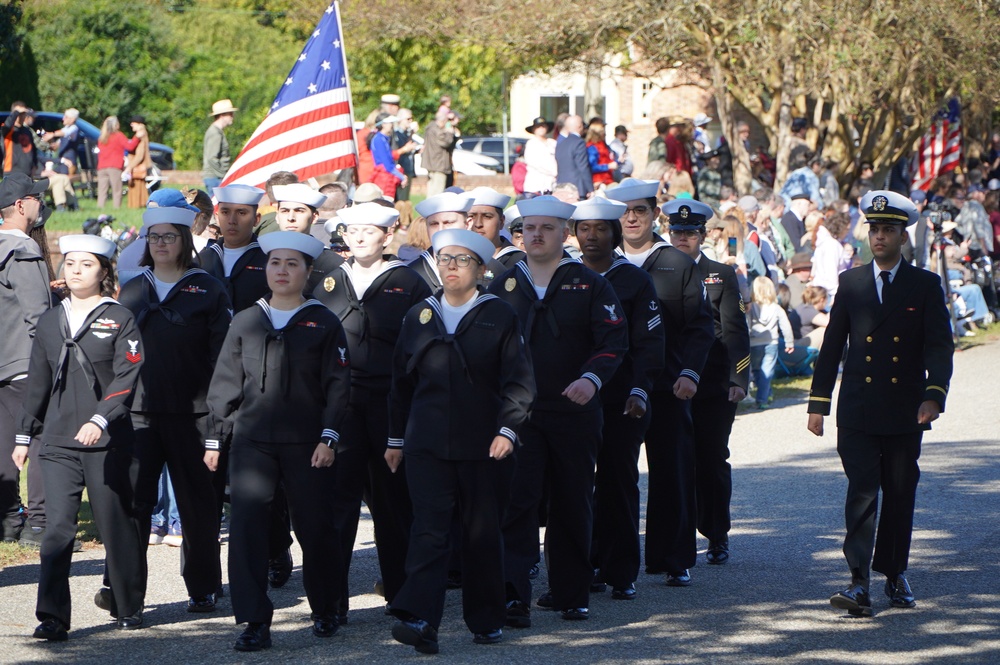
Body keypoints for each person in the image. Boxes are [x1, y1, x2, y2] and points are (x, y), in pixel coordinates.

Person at [386, 229, 534, 654]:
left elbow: (519, 381)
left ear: (482, 269)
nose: (450, 266)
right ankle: (420, 618)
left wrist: (508, 429)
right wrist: (395, 439)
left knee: (480, 532)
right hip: (426, 444)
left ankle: (487, 619)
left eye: (462, 260)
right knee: (429, 531)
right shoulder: (419, 315)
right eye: (444, 258)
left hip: (484, 445)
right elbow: (401, 384)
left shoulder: (499, 315)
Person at [808, 190, 954, 617]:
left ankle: (894, 574)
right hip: (858, 407)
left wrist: (934, 396)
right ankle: (858, 582)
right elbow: (832, 346)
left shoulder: (924, 285)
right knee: (862, 491)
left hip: (905, 408)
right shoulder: (851, 283)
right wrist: (818, 403)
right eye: (874, 229)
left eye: (888, 229)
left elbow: (938, 348)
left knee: (900, 491)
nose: (879, 237)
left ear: (903, 237)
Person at [204, 231, 351, 651]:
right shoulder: (247, 319)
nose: (281, 271)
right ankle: (253, 620)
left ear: (307, 271)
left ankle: (326, 608)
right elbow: (225, 384)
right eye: (274, 263)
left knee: (315, 528)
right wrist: (216, 440)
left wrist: (329, 437)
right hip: (254, 443)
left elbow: (338, 386)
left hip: (308, 443)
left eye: (291, 264)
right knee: (248, 531)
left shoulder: (323, 321)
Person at [488, 196, 628, 625]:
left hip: (574, 412)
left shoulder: (589, 283)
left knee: (572, 502)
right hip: (519, 418)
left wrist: (592, 379)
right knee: (517, 503)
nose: (535, 235)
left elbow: (614, 341)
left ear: (564, 234)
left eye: (546, 228)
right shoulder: (504, 285)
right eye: (528, 227)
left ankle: (571, 593)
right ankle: (513, 596)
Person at [14, 235, 147, 639]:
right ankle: (52, 617)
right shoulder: (52, 319)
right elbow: (37, 378)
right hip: (56, 441)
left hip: (107, 441)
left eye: (86, 264)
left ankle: (127, 604)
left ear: (104, 271)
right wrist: (24, 434)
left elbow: (128, 376)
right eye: (69, 262)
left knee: (114, 522)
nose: (75, 270)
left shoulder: (119, 317)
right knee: (57, 529)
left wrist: (101, 418)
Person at [311, 202, 431, 623]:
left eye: (369, 231)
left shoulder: (408, 281)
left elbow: (424, 344)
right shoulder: (327, 281)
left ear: (389, 233)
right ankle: (330, 605)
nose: (359, 237)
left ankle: (401, 595)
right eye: (353, 230)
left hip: (389, 402)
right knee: (337, 503)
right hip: (341, 404)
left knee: (394, 502)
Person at [117, 205, 232, 614]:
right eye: (154, 237)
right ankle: (124, 592)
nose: (161, 244)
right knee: (132, 506)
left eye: (169, 236)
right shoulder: (132, 289)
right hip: (140, 415)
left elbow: (223, 359)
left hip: (195, 416)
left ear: (185, 240)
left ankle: (203, 587)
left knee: (199, 507)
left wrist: (220, 417)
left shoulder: (209, 288)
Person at [605, 180, 715, 586]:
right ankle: (612, 559)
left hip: (668, 386)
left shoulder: (677, 263)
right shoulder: (601, 262)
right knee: (615, 474)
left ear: (655, 216)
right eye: (624, 211)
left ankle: (673, 556)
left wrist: (690, 373)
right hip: (616, 385)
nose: (631, 218)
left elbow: (700, 327)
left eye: (640, 211)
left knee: (672, 471)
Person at [572, 197, 665, 600]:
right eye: (584, 229)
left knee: (617, 481)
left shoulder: (633, 279)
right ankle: (582, 565)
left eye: (600, 229)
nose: (592, 237)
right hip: (574, 398)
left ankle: (622, 569)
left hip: (622, 398)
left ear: (614, 233)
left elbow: (650, 342)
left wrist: (641, 389)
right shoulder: (566, 276)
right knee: (573, 486)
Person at [667, 207, 751, 564]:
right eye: (677, 232)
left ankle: (717, 532)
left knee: (712, 456)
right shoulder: (660, 270)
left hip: (714, 382)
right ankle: (679, 534)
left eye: (690, 232)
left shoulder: (720, 274)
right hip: (671, 380)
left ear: (703, 235)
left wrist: (739, 377)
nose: (682, 238)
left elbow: (735, 328)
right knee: (676, 459)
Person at [0, 174, 52, 547]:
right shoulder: (23, 250)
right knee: (41, 440)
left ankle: (7, 520)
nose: (40, 204)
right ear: (21, 206)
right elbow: (38, 318)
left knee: (3, 441)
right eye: (36, 197)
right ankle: (39, 524)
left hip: (3, 362)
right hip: (25, 363)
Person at [197, 184, 269, 312]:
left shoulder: (269, 261)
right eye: (225, 212)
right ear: (217, 216)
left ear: (256, 219)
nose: (232, 220)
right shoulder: (201, 261)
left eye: (241, 213)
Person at [271, 183, 344, 293]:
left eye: (299, 211)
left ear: (314, 217)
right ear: (277, 216)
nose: (291, 218)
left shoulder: (331, 262)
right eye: (285, 211)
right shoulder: (262, 255)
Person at [748, 277, 794, 409]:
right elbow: (786, 326)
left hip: (754, 342)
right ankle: (763, 398)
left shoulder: (750, 308)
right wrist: (789, 342)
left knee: (757, 371)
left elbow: (747, 325)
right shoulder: (776, 308)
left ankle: (765, 394)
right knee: (767, 371)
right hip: (771, 342)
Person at [466, 186, 524, 268]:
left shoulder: (520, 262)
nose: (478, 224)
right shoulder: (459, 259)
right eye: (472, 216)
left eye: (487, 216)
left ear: (501, 221)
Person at [95, 116, 138, 209]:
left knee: (102, 190)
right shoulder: (118, 135)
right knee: (117, 189)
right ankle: (116, 208)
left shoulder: (102, 137)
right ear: (116, 125)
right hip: (114, 166)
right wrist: (137, 137)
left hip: (101, 167)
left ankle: (100, 207)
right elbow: (129, 146)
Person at [368, 113, 407, 199]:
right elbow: (387, 165)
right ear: (383, 124)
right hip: (383, 178)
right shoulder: (379, 139)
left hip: (386, 177)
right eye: (390, 123)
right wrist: (401, 177)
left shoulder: (383, 139)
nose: (392, 125)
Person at [554, 115, 593, 198]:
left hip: (561, 187)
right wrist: (590, 189)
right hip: (577, 189)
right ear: (579, 126)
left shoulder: (560, 143)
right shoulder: (579, 142)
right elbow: (583, 167)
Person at [423, 110, 459, 197]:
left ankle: (429, 209)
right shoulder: (437, 130)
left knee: (431, 190)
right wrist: (450, 132)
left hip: (432, 164)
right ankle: (435, 210)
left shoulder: (430, 128)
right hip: (439, 164)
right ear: (442, 120)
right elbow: (446, 142)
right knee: (437, 192)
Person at [203, 99, 237, 189]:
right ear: (222, 116)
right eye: (230, 114)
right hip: (215, 178)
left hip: (215, 178)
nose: (232, 116)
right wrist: (223, 176)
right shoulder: (215, 133)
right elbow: (212, 158)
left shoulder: (217, 132)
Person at [523, 116, 558, 195]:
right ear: (534, 129)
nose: (541, 128)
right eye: (538, 127)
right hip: (535, 185)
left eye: (543, 126)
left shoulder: (553, 143)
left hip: (551, 184)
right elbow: (534, 162)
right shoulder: (531, 144)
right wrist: (554, 171)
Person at [41, 109, 81, 176]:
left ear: (72, 119)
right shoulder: (65, 128)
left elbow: (65, 133)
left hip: (69, 163)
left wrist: (52, 134)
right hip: (61, 162)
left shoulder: (74, 128)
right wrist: (50, 144)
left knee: (64, 182)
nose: (63, 119)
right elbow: (56, 146)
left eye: (66, 117)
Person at [125, 116, 152, 209]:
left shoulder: (141, 135)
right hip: (138, 165)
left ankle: (136, 205)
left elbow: (140, 155)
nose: (131, 124)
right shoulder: (142, 134)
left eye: (134, 122)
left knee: (136, 187)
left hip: (138, 166)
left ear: (139, 124)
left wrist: (130, 167)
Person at [585, 122, 618, 190]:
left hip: (608, 179)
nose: (605, 134)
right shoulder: (592, 147)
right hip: (599, 181)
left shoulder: (604, 145)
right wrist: (608, 166)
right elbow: (592, 166)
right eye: (602, 131)